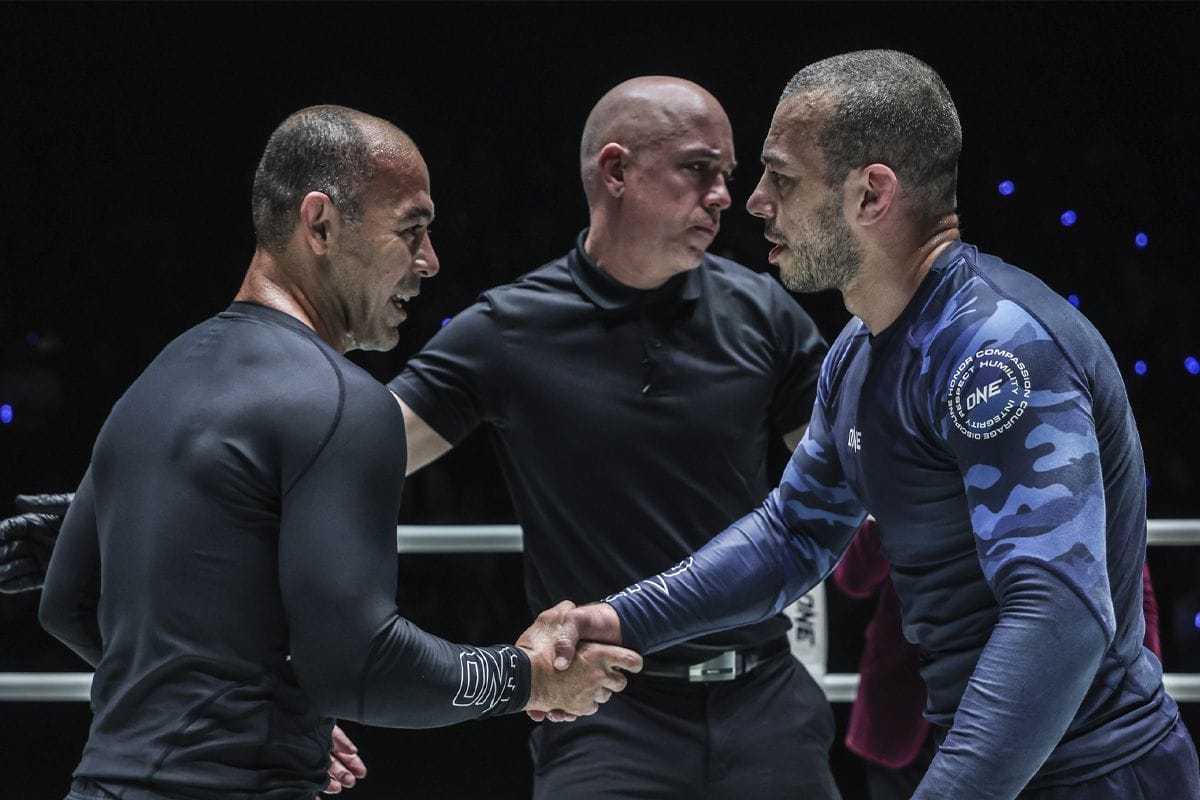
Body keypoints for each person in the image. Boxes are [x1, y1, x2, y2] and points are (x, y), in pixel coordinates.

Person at [557, 51, 1200, 798]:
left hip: (1097, 777)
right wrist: (617, 619)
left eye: (782, 177)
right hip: (996, 766)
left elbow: (1059, 612)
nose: (755, 200)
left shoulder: (995, 352)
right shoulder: (859, 353)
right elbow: (791, 535)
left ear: (871, 194)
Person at [33, 105, 640, 800]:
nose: (431, 261)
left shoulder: (154, 382)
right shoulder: (341, 402)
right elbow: (359, 666)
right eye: (411, 229)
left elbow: (67, 601)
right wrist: (525, 675)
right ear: (319, 224)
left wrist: (259, 708)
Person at [390, 77, 839, 797]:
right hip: (604, 712)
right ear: (617, 171)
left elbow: (856, 479)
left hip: (766, 701)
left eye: (727, 174)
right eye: (700, 169)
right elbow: (357, 461)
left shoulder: (765, 314)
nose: (725, 195)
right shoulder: (509, 329)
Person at [830, 519, 1166, 799]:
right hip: (911, 711)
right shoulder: (906, 456)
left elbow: (1133, 586)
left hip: (1034, 716)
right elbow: (853, 578)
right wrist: (887, 500)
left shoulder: (1060, 455)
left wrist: (1138, 701)